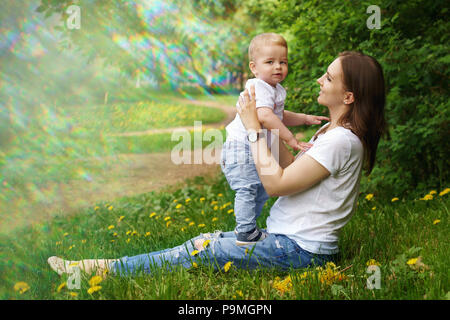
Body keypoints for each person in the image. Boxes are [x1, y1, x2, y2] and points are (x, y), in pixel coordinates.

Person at [48, 50, 386, 277]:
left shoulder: (341, 141)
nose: (319, 81)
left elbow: (276, 184)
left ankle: (103, 269)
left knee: (202, 250)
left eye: (328, 78)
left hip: (300, 251)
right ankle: (108, 265)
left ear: (348, 97)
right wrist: (268, 125)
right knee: (201, 241)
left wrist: (254, 128)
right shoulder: (332, 131)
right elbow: (285, 168)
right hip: (288, 240)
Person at [223, 32, 329, 245]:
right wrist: (290, 139)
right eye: (270, 62)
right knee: (248, 188)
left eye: (283, 62)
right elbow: (263, 115)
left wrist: (304, 118)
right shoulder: (258, 87)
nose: (278, 67)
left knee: (261, 189)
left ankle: (248, 226)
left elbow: (278, 115)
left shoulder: (275, 89)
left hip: (252, 147)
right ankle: (245, 231)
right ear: (254, 67)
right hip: (240, 148)